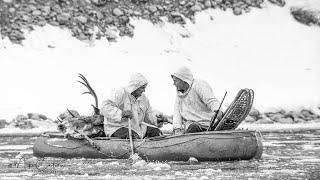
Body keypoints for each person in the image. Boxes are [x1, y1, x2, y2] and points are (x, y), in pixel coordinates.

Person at [100, 73, 168, 139]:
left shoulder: (144, 99)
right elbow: (104, 106)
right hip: (116, 127)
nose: (144, 90)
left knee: (156, 132)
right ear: (136, 87)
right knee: (134, 137)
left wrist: (157, 118)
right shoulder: (120, 93)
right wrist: (121, 113)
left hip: (137, 128)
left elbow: (148, 115)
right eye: (142, 88)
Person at [171, 66, 223, 135]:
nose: (174, 84)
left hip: (207, 125)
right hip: (191, 128)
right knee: (191, 128)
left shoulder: (199, 85)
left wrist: (218, 110)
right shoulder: (179, 95)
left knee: (193, 127)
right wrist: (177, 128)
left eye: (175, 81)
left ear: (183, 80)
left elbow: (211, 101)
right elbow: (177, 112)